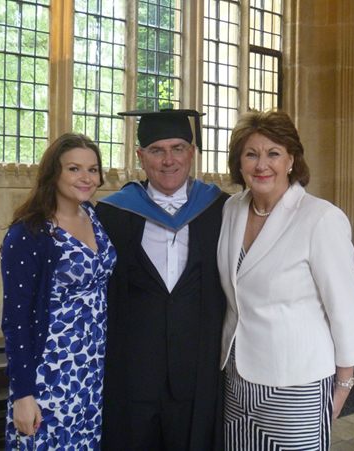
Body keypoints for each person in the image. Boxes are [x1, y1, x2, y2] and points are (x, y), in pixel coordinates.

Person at [217, 109, 354, 450]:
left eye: (273, 154)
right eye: (251, 154)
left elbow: (344, 308)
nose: (261, 165)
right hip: (238, 378)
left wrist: (344, 385)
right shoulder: (232, 209)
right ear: (239, 163)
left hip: (296, 381)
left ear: (291, 161)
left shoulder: (321, 218)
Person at [95, 109, 229, 450]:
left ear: (192, 153)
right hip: (133, 373)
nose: (169, 160)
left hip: (198, 372)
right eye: (157, 150)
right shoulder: (113, 214)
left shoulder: (221, 210)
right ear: (141, 157)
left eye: (178, 148)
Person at [1, 133, 116, 450]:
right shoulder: (30, 232)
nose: (86, 178)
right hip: (51, 372)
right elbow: (16, 320)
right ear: (53, 173)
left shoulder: (93, 216)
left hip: (92, 370)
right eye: (74, 169)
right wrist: (24, 394)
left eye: (93, 170)